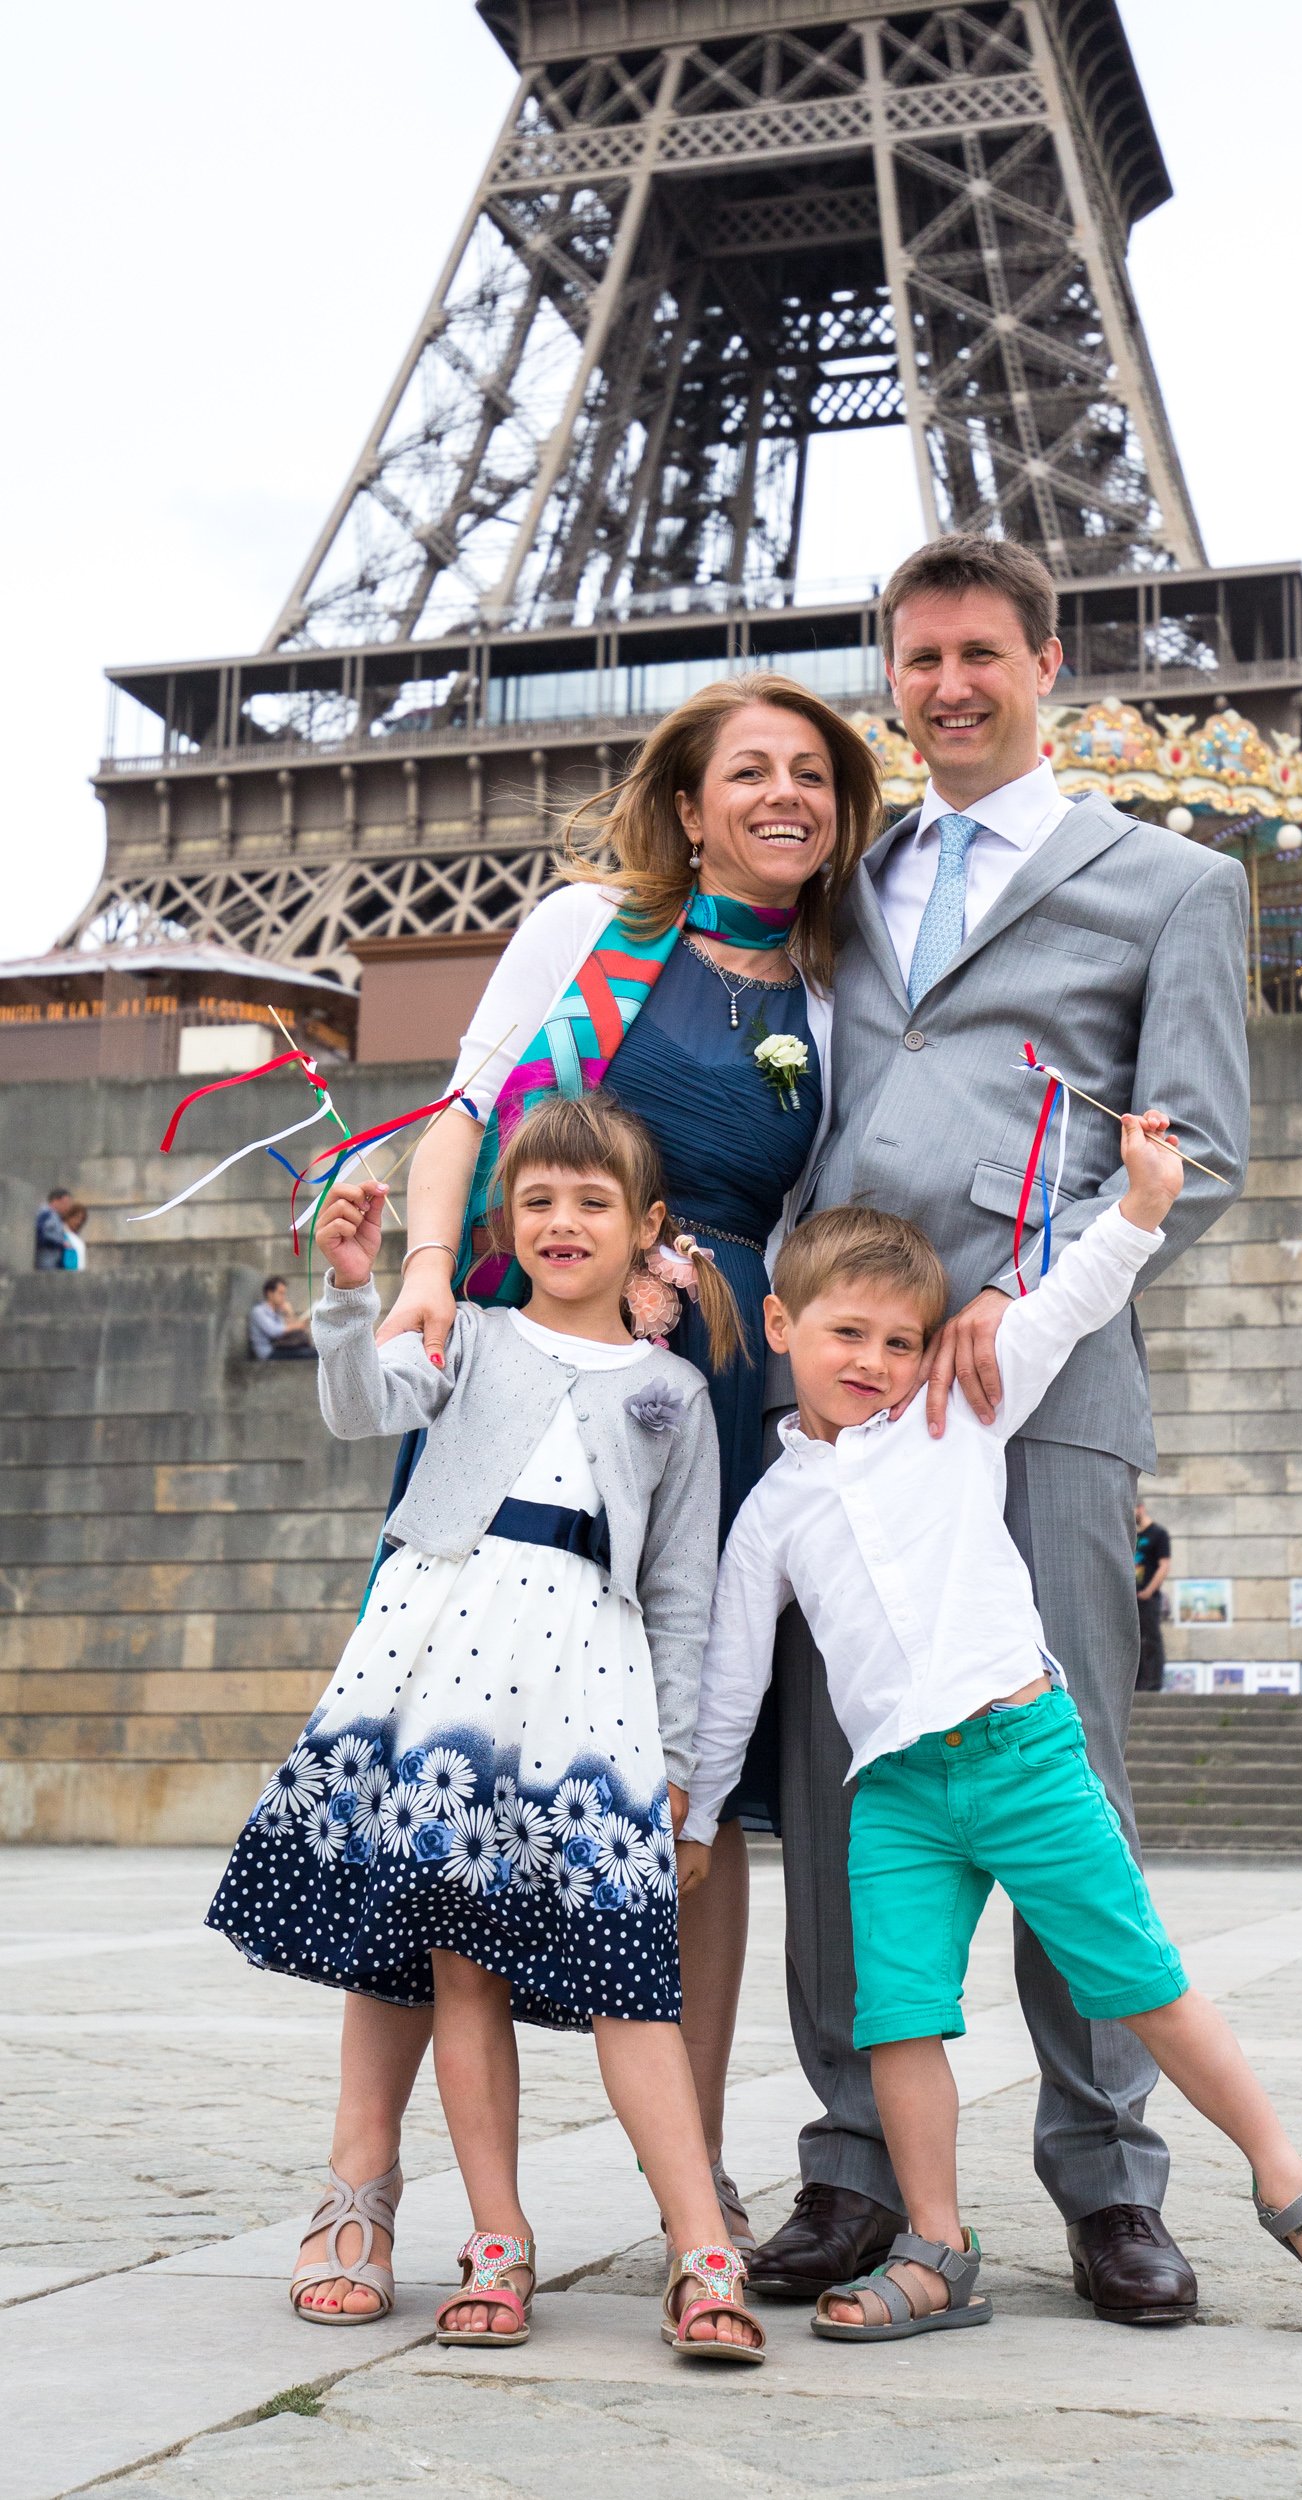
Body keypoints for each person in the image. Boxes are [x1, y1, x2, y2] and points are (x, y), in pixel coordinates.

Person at [746, 534, 1251, 2324]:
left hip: (1030, 1397)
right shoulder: (851, 875)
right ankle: (851, 2166)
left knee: (1067, 1800)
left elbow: (1202, 1145)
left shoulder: (1172, 882)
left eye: (979, 652)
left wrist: (1019, 1283)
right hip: (841, 1404)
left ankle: (1110, 2176)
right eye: (918, 657)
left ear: (1046, 661)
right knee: (843, 1783)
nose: (946, 684)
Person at [681, 1159, 1302, 2351]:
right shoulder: (770, 1506)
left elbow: (1066, 1302)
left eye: (899, 1339)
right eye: (844, 1333)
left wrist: (1134, 1209)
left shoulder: (955, 1412)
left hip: (1023, 1751)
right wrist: (698, 1810)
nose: (872, 1360)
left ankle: (1294, 2187)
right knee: (898, 2019)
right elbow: (730, 1676)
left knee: (1140, 1982)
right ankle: (935, 2244)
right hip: (897, 1795)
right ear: (780, 1324)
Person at [360, 672, 881, 2255]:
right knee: (425, 1757)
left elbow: (807, 1229)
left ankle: (694, 2182)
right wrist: (429, 1269)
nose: (780, 794)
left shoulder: (834, 995)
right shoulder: (584, 926)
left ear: (840, 810)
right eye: (748, 770)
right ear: (687, 800)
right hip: (517, 1362)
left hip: (696, 1390)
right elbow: (460, 1116)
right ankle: (365, 2182)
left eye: (811, 772)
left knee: (683, 1784)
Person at [207, 1094, 767, 2360]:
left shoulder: (674, 1392)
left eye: (591, 1202)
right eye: (536, 1200)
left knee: (634, 1981)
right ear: (501, 1222)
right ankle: (496, 2239)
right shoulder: (465, 1336)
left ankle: (700, 2245)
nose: (561, 1222)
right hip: (442, 1662)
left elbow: (681, 1594)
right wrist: (354, 1292)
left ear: (647, 1229)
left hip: (589, 1691)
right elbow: (361, 1407)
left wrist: (684, 1772)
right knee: (458, 1962)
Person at [1133, 1500, 1171, 1693]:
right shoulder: (1133, 1536)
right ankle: (1138, 1683)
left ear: (1140, 1508)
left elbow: (1164, 1565)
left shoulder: (1158, 1534)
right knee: (1135, 1640)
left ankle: (1153, 1683)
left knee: (1151, 1639)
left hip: (1148, 1597)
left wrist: (1149, 1590)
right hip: (1132, 1599)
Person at [249, 1275, 316, 1361]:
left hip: (279, 1348)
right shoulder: (258, 1311)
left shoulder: (277, 1311)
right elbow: (273, 1331)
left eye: (284, 1293)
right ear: (270, 1293)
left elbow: (288, 1331)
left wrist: (290, 1314)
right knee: (311, 1354)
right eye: (280, 1293)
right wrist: (296, 1326)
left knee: (312, 1350)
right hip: (268, 1352)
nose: (283, 1297)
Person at [34, 1187, 75, 1270]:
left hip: (52, 1264)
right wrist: (59, 1243)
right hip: (45, 1264)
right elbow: (40, 1235)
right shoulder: (46, 1214)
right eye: (66, 1203)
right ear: (55, 1201)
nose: (68, 1207)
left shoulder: (55, 1216)